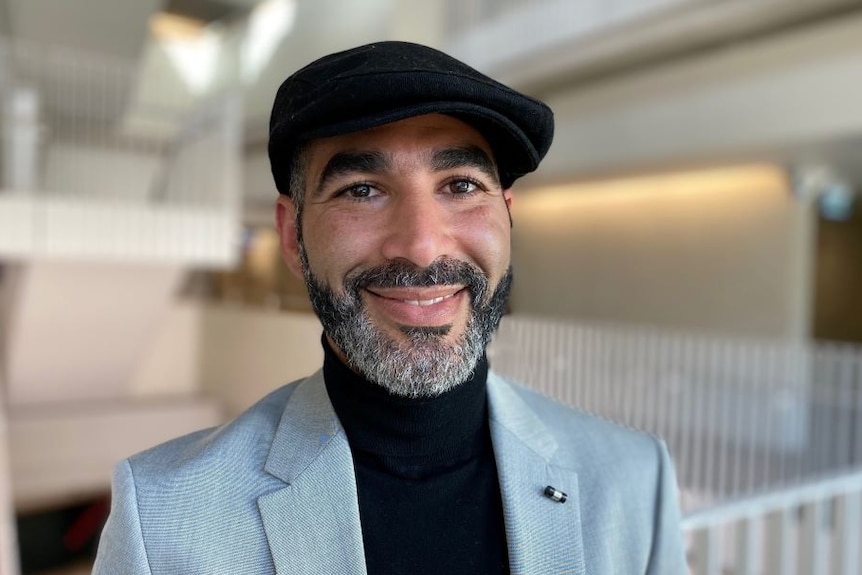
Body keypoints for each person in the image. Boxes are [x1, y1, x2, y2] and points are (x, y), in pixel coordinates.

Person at [94, 41, 687, 574]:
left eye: (460, 185)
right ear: (292, 235)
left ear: (507, 215)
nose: (423, 245)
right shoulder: (166, 517)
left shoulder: (634, 481)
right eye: (362, 190)